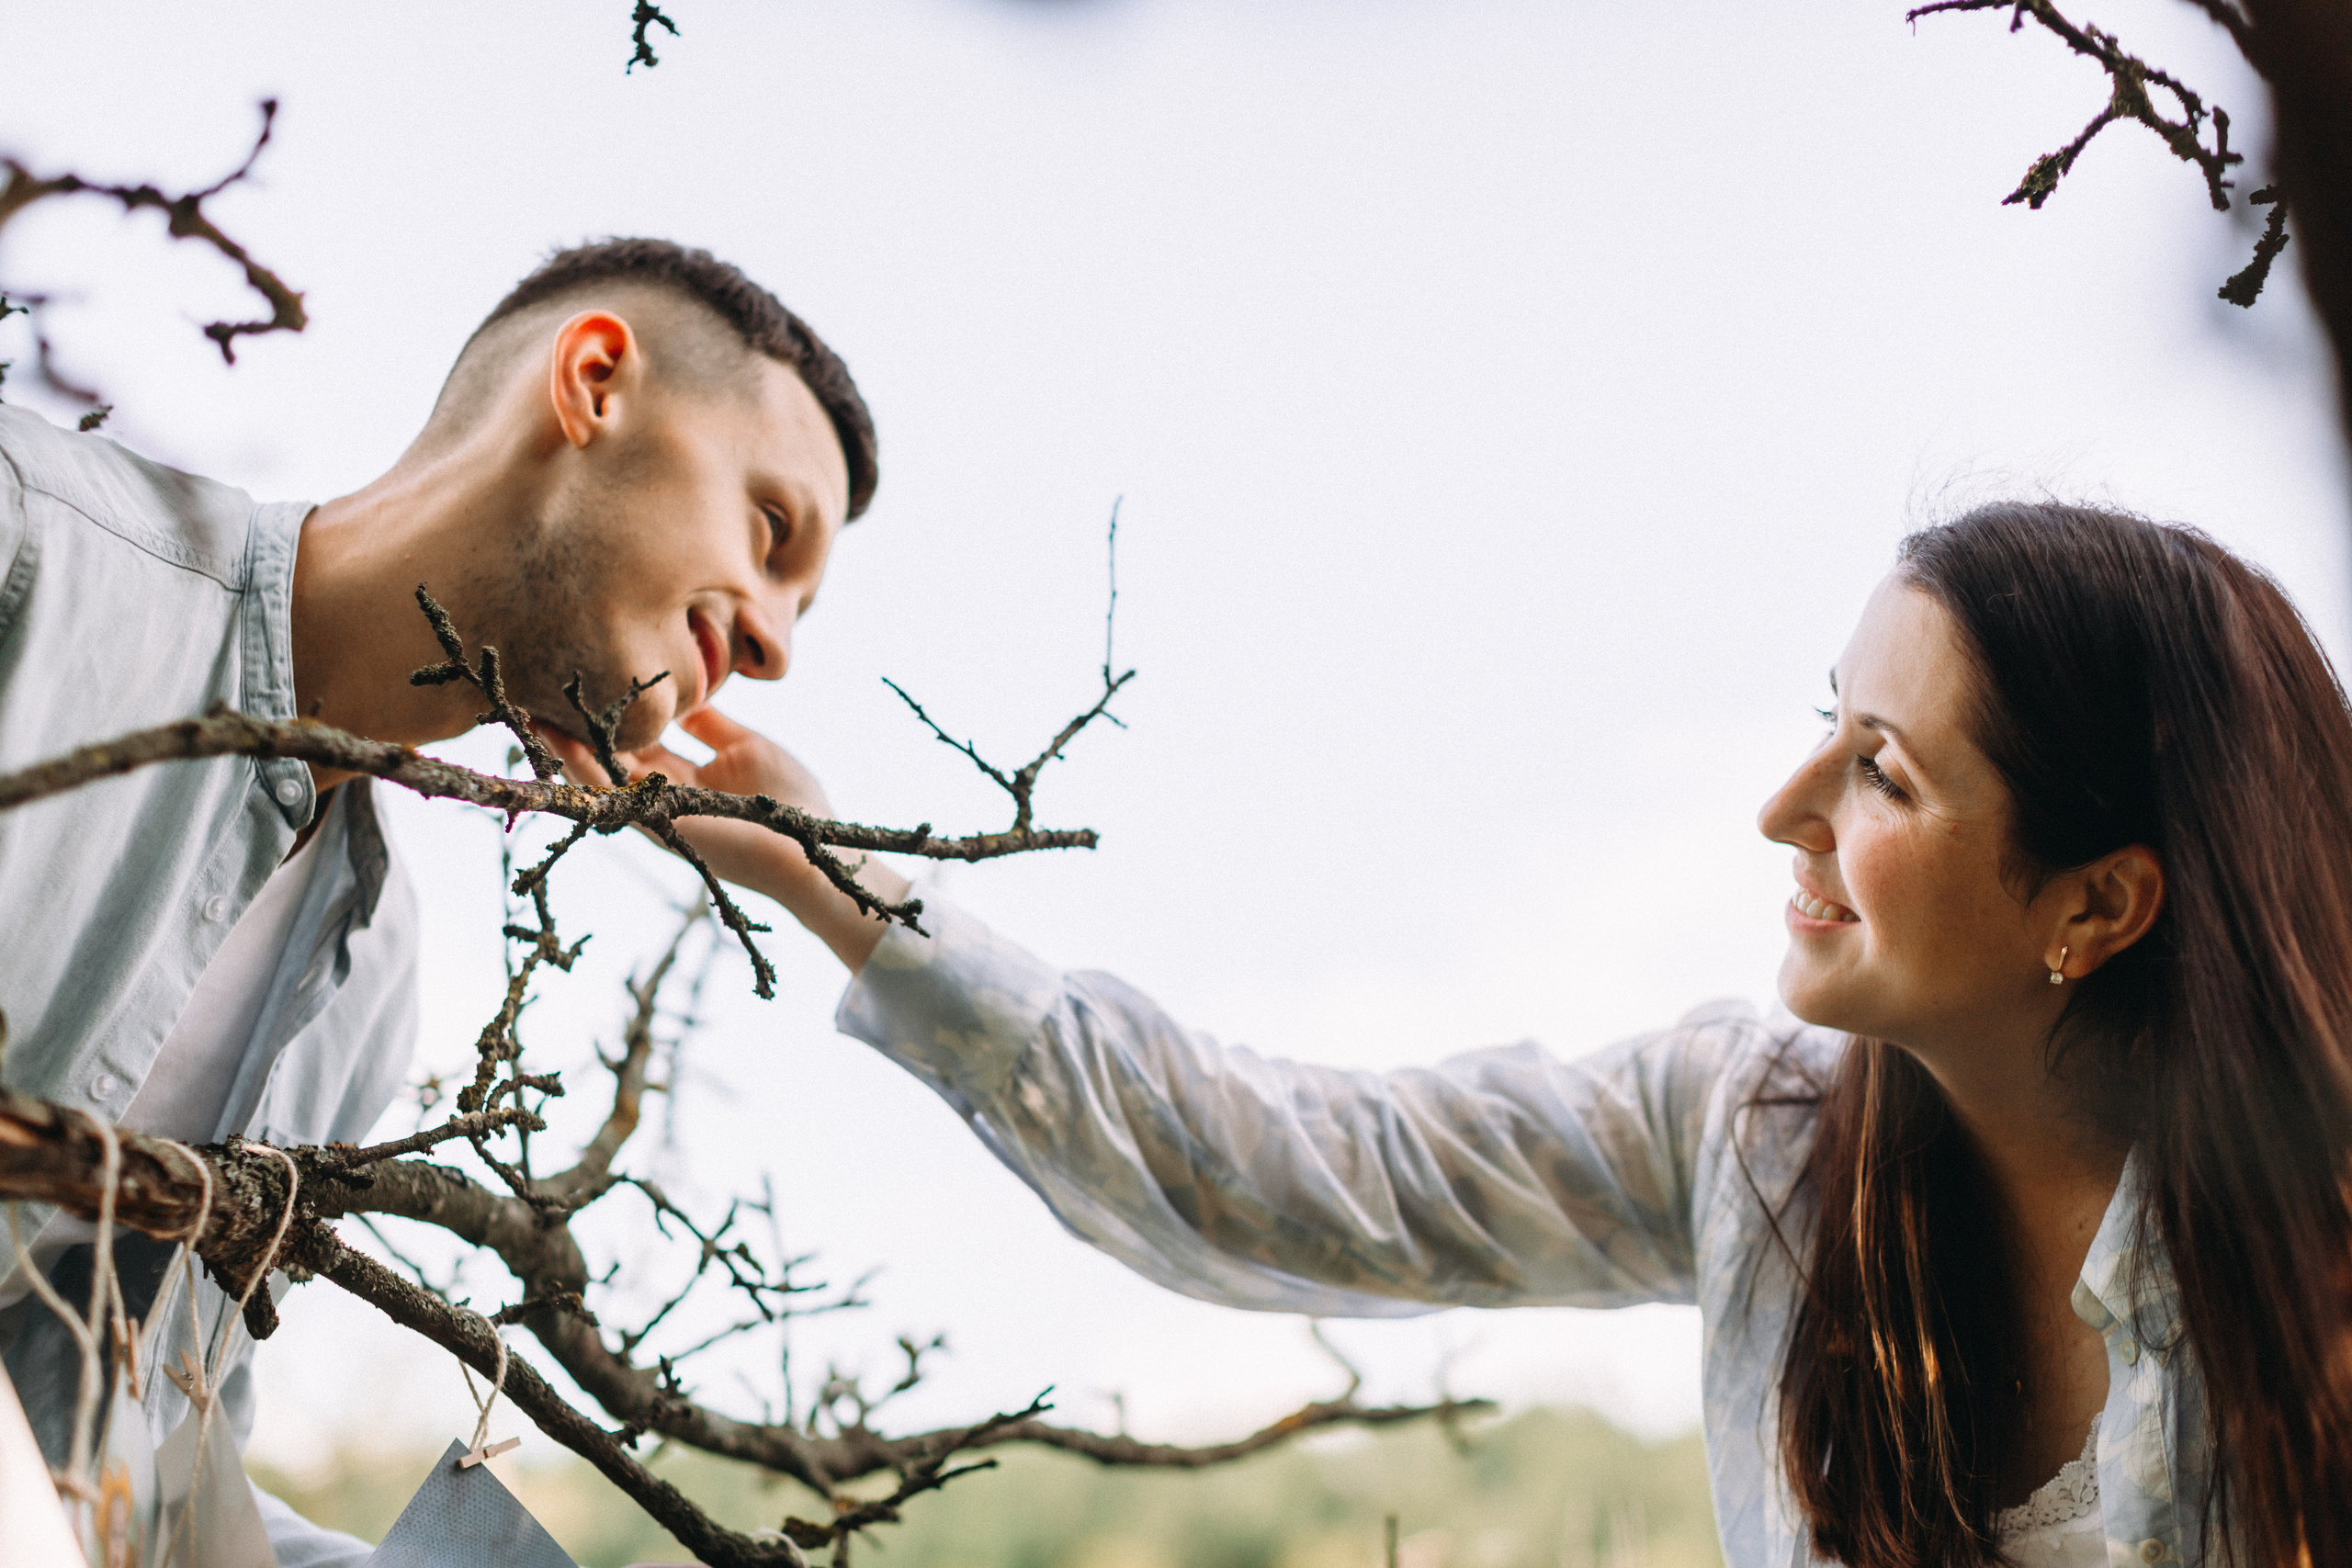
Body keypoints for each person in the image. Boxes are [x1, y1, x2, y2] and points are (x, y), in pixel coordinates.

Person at [605, 502, 2352, 1566]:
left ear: (2099, 906)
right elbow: (1268, 1172)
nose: (1783, 807)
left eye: (1881, 769)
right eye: (1824, 726)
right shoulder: (1750, 1138)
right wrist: (846, 890)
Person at [0, 236, 875, 1567]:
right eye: (770, 529)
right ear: (593, 384)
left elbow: (128, 1480)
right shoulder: (30, 551)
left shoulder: (368, 982)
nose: (773, 646)